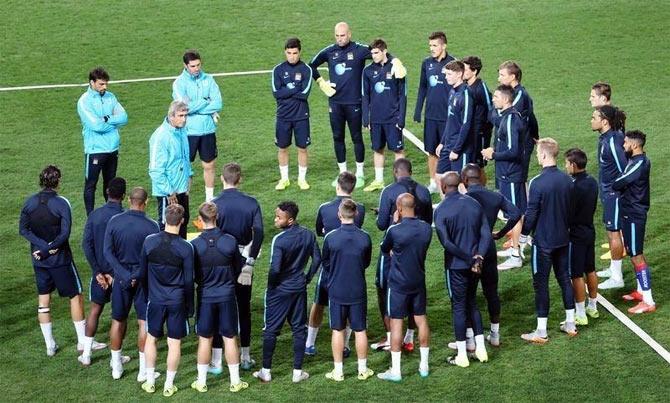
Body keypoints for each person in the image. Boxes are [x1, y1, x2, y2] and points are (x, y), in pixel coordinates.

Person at [309, 21, 406, 188]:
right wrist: (320, 82)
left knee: (356, 137)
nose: (340, 39)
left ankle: (360, 173)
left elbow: (380, 52)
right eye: (337, 36)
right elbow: (311, 65)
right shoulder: (329, 51)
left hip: (355, 102)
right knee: (337, 137)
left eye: (343, 35)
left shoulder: (360, 50)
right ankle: (342, 173)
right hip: (335, 103)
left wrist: (395, 61)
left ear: (349, 34)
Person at [19, 165, 86, 358]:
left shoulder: (29, 202)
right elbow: (65, 233)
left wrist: (41, 248)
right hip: (60, 259)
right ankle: (82, 342)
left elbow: (23, 230)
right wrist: (49, 248)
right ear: (58, 181)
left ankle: (50, 345)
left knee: (44, 300)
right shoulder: (61, 203)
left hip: (39, 259)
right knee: (75, 296)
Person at [253, 201, 320, 383]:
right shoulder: (308, 234)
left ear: (290, 220)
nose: (275, 220)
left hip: (280, 290)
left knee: (271, 330)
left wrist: (271, 286)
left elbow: (275, 269)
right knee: (299, 329)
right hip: (298, 289)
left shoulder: (280, 240)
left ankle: (265, 371)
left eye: (278, 217)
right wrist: (306, 278)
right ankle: (297, 372)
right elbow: (317, 260)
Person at [520, 138, 577, 343]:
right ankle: (570, 322)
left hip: (543, 241)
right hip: (563, 238)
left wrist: (523, 236)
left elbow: (531, 213)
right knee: (564, 278)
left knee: (541, 284)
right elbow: (571, 210)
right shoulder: (568, 180)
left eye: (537, 153)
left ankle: (541, 330)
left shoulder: (537, 182)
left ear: (544, 155)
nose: (536, 156)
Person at [373, 158, 432, 351]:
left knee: (384, 289)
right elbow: (428, 220)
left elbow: (382, 224)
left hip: (394, 248)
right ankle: (409, 336)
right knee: (417, 295)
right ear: (411, 171)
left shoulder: (389, 191)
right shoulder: (423, 191)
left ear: (394, 172)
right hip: (417, 251)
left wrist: (391, 218)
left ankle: (391, 337)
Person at [190, 202, 249, 393]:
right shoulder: (230, 241)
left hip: (206, 296)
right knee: (230, 337)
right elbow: (238, 269)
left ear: (200, 220)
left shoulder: (195, 245)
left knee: (205, 339)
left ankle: (201, 382)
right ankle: (235, 381)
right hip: (227, 296)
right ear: (217, 217)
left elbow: (193, 274)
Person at [460, 163, 521, 347]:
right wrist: (500, 234)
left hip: (470, 251)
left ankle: (470, 338)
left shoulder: (464, 199)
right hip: (489, 251)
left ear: (464, 180)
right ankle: (495, 335)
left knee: (469, 295)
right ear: (482, 177)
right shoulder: (495, 196)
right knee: (491, 293)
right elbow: (516, 213)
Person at [433, 172, 490, 367]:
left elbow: (447, 243)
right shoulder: (474, 204)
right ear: (459, 184)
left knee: (458, 306)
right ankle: (481, 349)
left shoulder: (441, 210)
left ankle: (462, 355)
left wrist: (468, 258)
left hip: (456, 266)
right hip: (476, 264)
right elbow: (485, 233)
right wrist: (479, 257)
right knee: (472, 303)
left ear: (443, 186)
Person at [211, 163, 264, 372]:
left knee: (217, 306)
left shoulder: (214, 203)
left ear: (222, 179)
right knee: (244, 307)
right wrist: (250, 261)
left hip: (220, 261)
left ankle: (216, 359)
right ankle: (245, 356)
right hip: (243, 260)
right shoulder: (251, 203)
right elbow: (258, 233)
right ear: (239, 179)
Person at [104, 186, 160, 380]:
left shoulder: (114, 221)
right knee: (143, 322)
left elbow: (108, 253)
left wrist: (123, 275)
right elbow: (152, 258)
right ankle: (143, 371)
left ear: (129, 199)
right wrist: (135, 275)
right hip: (142, 279)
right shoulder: (152, 226)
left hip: (121, 279)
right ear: (146, 202)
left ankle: (116, 367)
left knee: (118, 320)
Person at [305, 171, 365, 356]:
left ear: (337, 185)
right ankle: (346, 345)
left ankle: (309, 343)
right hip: (352, 265)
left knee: (319, 301)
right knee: (348, 302)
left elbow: (319, 231)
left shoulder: (324, 208)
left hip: (330, 264)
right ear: (353, 187)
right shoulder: (359, 209)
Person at [139, 204, 194, 397]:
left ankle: (151, 382)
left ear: (164, 219)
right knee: (174, 343)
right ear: (182, 221)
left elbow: (141, 273)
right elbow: (189, 281)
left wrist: (147, 295)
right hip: (176, 301)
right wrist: (190, 306)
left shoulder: (149, 242)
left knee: (151, 339)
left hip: (155, 299)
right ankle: (169, 385)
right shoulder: (186, 248)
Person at [377, 193, 432, 382]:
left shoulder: (394, 230)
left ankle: (396, 371)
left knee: (397, 322)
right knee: (421, 320)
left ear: (399, 208)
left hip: (398, 284)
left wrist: (394, 224)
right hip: (418, 281)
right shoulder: (426, 229)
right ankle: (424, 366)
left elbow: (385, 249)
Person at [321, 199, 374, 382]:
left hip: (336, 289)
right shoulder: (365, 237)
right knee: (360, 330)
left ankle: (338, 371)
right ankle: (362, 369)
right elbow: (366, 262)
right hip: (357, 289)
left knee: (337, 329)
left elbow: (325, 263)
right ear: (356, 214)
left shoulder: (331, 237)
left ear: (339, 215)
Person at [78, 177, 127, 366]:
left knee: (95, 311)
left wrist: (97, 272)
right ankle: (117, 358)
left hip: (99, 275)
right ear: (123, 195)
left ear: (107, 192)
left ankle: (87, 355)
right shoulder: (124, 217)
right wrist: (113, 273)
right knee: (119, 316)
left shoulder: (95, 215)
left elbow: (87, 245)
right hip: (117, 275)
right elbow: (124, 250)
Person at [481, 85, 526, 270]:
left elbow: (514, 151)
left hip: (511, 173)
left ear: (506, 99)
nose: (493, 99)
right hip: (508, 172)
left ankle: (516, 254)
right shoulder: (507, 117)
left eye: (497, 96)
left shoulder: (510, 119)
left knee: (514, 213)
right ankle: (516, 248)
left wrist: (494, 155)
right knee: (514, 212)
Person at [612, 130, 656, 314]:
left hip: (634, 214)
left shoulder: (639, 163)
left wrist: (616, 183)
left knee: (637, 255)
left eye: (626, 143)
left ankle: (648, 300)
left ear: (635, 145)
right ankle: (640, 291)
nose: (623, 146)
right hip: (630, 212)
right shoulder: (636, 160)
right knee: (633, 253)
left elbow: (619, 182)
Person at [172, 50, 222, 202]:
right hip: (188, 132)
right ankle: (182, 198)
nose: (196, 68)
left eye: (198, 65)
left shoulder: (209, 79)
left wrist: (195, 106)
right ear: (185, 65)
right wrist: (205, 101)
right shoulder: (179, 83)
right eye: (193, 66)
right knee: (185, 167)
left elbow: (218, 103)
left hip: (207, 130)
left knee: (209, 166)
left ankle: (209, 199)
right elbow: (183, 108)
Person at [77, 67, 128, 215]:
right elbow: (96, 126)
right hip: (95, 150)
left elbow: (124, 118)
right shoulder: (84, 101)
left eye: (106, 84)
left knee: (110, 184)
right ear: (92, 83)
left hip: (112, 149)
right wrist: (112, 123)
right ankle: (90, 217)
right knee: (91, 185)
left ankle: (111, 215)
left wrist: (106, 119)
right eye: (101, 84)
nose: (105, 87)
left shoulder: (110, 97)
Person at [361, 38, 407, 192]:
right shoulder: (367, 71)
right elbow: (365, 95)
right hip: (376, 118)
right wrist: (365, 116)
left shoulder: (396, 68)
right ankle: (378, 180)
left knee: (398, 150)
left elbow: (403, 95)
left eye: (376, 52)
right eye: (372, 53)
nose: (373, 56)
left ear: (384, 51)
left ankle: (401, 180)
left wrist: (401, 117)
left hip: (393, 117)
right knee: (377, 149)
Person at [591, 105, 628, 289]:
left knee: (615, 234)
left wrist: (616, 192)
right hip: (608, 193)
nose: (591, 120)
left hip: (614, 194)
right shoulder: (606, 138)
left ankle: (617, 277)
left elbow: (624, 170)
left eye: (594, 117)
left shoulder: (613, 141)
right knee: (610, 232)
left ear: (604, 121)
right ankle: (613, 269)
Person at [413, 31, 455, 193]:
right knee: (431, 150)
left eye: (435, 45)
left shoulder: (453, 64)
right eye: (430, 45)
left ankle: (448, 183)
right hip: (430, 115)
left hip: (447, 117)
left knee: (447, 151)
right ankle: (433, 182)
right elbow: (423, 86)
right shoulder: (426, 63)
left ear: (444, 45)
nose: (432, 48)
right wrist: (418, 109)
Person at [272, 37, 313, 191]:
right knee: (282, 148)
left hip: (301, 116)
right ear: (285, 52)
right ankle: (284, 179)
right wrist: (294, 88)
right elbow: (276, 93)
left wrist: (286, 91)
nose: (292, 56)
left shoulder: (306, 69)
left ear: (299, 52)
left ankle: (302, 179)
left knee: (302, 148)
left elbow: (304, 93)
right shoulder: (278, 70)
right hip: (283, 116)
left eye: (295, 53)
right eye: (289, 53)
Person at [564, 148, 600, 323]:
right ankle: (592, 307)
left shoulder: (572, 186)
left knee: (576, 274)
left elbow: (568, 213)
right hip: (589, 230)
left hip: (575, 234)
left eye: (566, 163)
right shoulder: (592, 181)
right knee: (590, 269)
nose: (565, 167)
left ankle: (580, 314)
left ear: (573, 165)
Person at [148, 100, 192, 239]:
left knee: (183, 221)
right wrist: (169, 191)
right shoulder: (160, 137)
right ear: (171, 116)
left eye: (185, 115)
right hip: (168, 192)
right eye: (180, 115)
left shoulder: (182, 131)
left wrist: (189, 175)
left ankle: (183, 254)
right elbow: (155, 170)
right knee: (167, 226)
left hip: (182, 188)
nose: (184, 119)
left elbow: (184, 156)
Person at [497, 61, 539, 185]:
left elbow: (503, 115)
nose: (499, 79)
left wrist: (534, 136)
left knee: (518, 178)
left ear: (512, 77)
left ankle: (522, 202)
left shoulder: (520, 94)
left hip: (522, 141)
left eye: (502, 75)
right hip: (515, 138)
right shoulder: (511, 93)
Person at [436, 61, 474, 179]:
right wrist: (442, 142)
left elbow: (466, 124)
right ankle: (447, 199)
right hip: (448, 144)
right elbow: (450, 120)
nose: (446, 77)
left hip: (460, 147)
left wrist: (457, 150)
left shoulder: (466, 94)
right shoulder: (452, 92)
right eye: (446, 74)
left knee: (461, 182)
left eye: (449, 74)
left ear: (459, 74)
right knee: (439, 177)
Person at [462, 56, 493, 167]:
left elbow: (490, 108)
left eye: (465, 70)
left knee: (478, 164)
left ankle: (479, 184)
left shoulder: (481, 88)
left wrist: (484, 130)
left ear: (474, 71)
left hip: (479, 133)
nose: (462, 72)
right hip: (468, 131)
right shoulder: (465, 86)